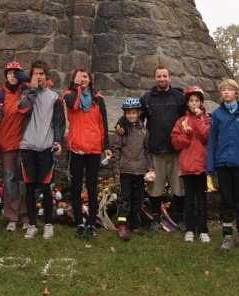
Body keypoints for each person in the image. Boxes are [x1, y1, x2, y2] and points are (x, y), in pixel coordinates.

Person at [207, 79, 239, 251]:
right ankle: (227, 236)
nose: (227, 93)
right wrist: (210, 166)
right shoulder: (217, 115)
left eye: (230, 90)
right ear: (221, 94)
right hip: (223, 164)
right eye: (223, 90)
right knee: (226, 201)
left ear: (236, 93)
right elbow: (212, 142)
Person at [18, 60, 65, 240]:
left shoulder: (55, 97)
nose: (39, 77)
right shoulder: (27, 94)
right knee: (29, 187)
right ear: (32, 77)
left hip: (46, 148)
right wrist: (32, 90)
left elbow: (59, 123)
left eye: (42, 74)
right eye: (36, 73)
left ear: (47, 76)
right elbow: (22, 109)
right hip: (28, 147)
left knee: (45, 187)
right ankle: (31, 225)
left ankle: (48, 224)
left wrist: (58, 141)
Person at [64, 68, 111, 238]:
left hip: (93, 148)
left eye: (85, 76)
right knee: (76, 187)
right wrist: (78, 87)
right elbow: (74, 105)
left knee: (92, 187)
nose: (83, 79)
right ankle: (79, 222)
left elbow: (103, 123)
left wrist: (106, 145)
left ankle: (91, 222)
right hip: (76, 148)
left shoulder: (98, 99)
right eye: (79, 76)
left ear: (90, 80)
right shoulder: (69, 95)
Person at [139, 66, 186, 231]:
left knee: (179, 188)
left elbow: (189, 118)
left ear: (169, 78)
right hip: (156, 151)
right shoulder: (147, 98)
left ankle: (180, 219)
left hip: (176, 151)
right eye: (158, 76)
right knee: (155, 188)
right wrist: (121, 124)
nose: (162, 79)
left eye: (164, 76)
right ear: (155, 78)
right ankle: (156, 219)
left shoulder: (180, 97)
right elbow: (136, 118)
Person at [0, 60, 29, 231]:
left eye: (16, 73)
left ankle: (26, 215)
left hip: (26, 145)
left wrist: (26, 80)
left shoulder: (26, 92)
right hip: (7, 145)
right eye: (10, 73)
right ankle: (12, 216)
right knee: (10, 181)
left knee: (24, 181)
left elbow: (46, 85)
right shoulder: (1, 96)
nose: (13, 76)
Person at [170, 85, 211, 243]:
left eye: (197, 100)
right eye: (191, 101)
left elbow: (207, 136)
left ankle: (203, 229)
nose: (194, 103)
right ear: (187, 103)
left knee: (202, 199)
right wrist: (185, 137)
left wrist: (200, 119)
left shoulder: (207, 119)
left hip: (202, 165)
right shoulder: (182, 121)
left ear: (201, 103)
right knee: (189, 199)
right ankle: (189, 229)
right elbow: (175, 142)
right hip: (187, 165)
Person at [110, 97, 153, 241]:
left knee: (138, 198)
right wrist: (116, 171)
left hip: (140, 170)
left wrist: (150, 168)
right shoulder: (121, 131)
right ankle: (122, 224)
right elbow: (116, 151)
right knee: (125, 199)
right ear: (125, 114)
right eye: (128, 113)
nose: (131, 115)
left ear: (139, 113)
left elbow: (147, 151)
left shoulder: (144, 131)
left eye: (134, 113)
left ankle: (135, 223)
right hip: (125, 170)